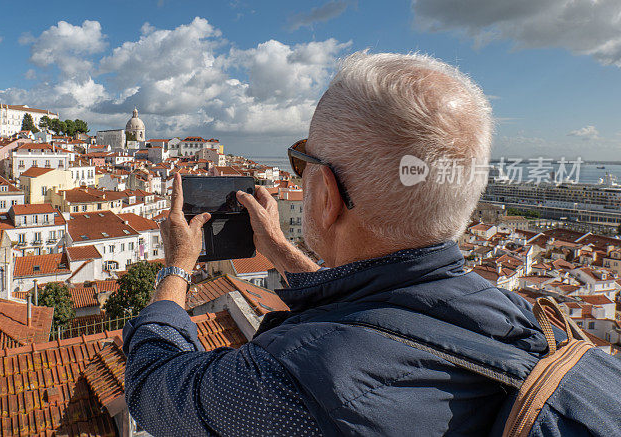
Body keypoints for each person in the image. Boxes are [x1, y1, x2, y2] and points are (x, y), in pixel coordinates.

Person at [122, 52, 544, 435]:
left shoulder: (291, 383)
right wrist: (278, 249)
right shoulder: (523, 318)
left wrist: (177, 266)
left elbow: (155, 385)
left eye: (301, 162)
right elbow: (369, 303)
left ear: (326, 194)